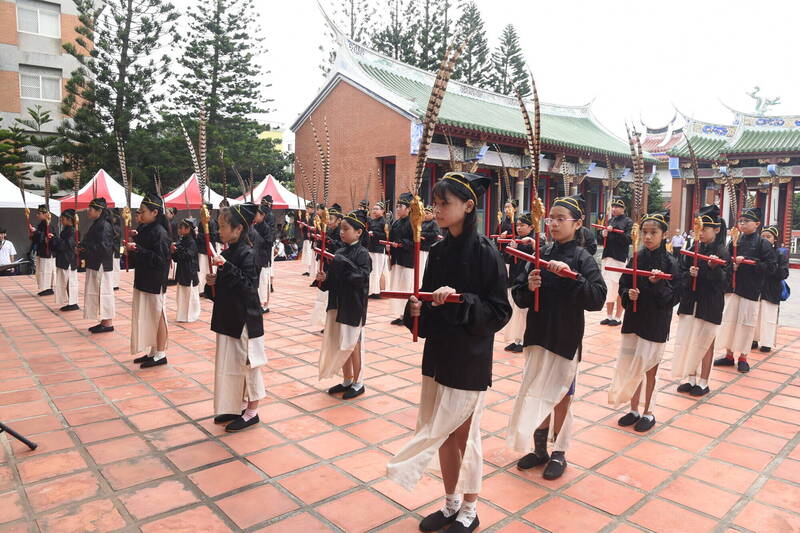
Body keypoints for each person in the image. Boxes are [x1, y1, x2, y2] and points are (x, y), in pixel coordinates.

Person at [387, 173, 511, 533]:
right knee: (439, 430)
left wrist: (460, 301)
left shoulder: (487, 252)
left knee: (464, 436)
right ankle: (450, 502)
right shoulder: (438, 251)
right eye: (435, 203)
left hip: (470, 355)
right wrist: (417, 311)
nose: (436, 210)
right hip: (438, 352)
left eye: (445, 204)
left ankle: (470, 510)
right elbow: (425, 300)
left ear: (468, 206)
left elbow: (499, 311)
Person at [507, 195, 606, 480]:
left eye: (561, 218)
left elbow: (598, 298)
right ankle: (539, 450)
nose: (554, 224)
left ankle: (559, 452)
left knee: (562, 395)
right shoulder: (541, 253)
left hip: (565, 337)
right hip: (538, 334)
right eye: (551, 218)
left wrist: (572, 278)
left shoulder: (583, 258)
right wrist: (529, 285)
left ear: (577, 223)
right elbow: (519, 296)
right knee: (537, 390)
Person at [608, 212, 681, 432]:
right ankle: (633, 409)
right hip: (634, 319)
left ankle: (649, 411)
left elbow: (674, 297)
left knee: (649, 368)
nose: (648, 237)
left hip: (656, 322)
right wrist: (627, 294)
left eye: (653, 233)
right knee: (632, 365)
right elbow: (624, 282)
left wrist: (658, 284)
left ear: (664, 234)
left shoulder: (671, 262)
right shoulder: (636, 257)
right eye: (645, 233)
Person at [206, 203, 266, 432]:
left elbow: (250, 288)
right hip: (228, 318)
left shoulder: (248, 254)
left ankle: (252, 411)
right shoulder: (228, 252)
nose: (219, 231)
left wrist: (226, 267)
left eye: (222, 227)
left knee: (249, 366)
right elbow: (224, 289)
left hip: (245, 321)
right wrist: (211, 284)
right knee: (233, 365)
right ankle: (239, 406)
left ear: (238, 229)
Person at [672, 205, 730, 397]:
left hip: (709, 303)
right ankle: (690, 377)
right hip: (690, 302)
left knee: (705, 342)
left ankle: (704, 381)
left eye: (705, 229)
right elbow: (679, 274)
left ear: (716, 229)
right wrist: (690, 275)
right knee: (689, 340)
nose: (701, 233)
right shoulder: (691, 249)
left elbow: (727, 282)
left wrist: (712, 269)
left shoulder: (722, 252)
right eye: (699, 229)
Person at [316, 208, 372, 399]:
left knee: (353, 345)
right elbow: (332, 282)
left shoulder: (364, 254)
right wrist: (324, 279)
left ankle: (358, 382)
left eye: (346, 229)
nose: (341, 232)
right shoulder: (339, 251)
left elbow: (361, 279)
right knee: (341, 343)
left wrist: (344, 264)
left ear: (358, 232)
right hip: (337, 304)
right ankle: (347, 379)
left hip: (353, 306)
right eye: (341, 229)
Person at [714, 207, 777, 373]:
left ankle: (743, 357)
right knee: (729, 322)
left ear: (757, 224)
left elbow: (771, 266)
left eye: (746, 221)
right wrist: (732, 265)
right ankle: (729, 355)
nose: (742, 224)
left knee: (746, 323)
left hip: (750, 289)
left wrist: (749, 261)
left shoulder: (763, 243)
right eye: (740, 221)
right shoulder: (735, 241)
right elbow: (725, 260)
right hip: (733, 288)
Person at [127, 193, 171, 369]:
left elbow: (159, 259)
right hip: (143, 278)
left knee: (158, 315)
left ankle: (161, 353)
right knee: (147, 315)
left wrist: (138, 249)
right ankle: (153, 351)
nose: (140, 214)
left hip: (155, 280)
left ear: (154, 212)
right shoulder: (145, 228)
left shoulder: (160, 232)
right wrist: (134, 246)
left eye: (143, 211)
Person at [80, 198, 116, 333]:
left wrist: (86, 247)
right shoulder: (97, 223)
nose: (88, 211)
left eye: (91, 209)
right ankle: (104, 321)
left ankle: (107, 323)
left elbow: (104, 247)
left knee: (104, 292)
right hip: (95, 262)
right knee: (98, 292)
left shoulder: (104, 225)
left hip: (101, 264)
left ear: (99, 211)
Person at [501, 212, 535, 353]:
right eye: (518, 225)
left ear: (532, 227)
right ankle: (516, 339)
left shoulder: (535, 240)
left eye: (523, 225)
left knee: (523, 312)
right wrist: (511, 250)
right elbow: (507, 259)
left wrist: (532, 244)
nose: (519, 228)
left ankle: (524, 339)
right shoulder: (516, 240)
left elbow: (538, 253)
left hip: (525, 282)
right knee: (514, 311)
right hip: (514, 278)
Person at [752, 226, 789, 353]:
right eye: (763, 237)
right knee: (755, 315)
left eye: (769, 237)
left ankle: (766, 342)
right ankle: (753, 339)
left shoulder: (780, 254)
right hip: (757, 288)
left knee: (768, 316)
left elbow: (784, 273)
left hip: (771, 289)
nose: (765, 239)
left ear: (775, 239)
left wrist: (769, 268)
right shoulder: (756, 252)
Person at [600, 198, 633, 326]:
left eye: (617, 207)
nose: (614, 209)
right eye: (613, 206)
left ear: (623, 209)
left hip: (619, 258)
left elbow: (628, 239)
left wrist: (614, 231)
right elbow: (604, 239)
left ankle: (618, 317)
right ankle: (608, 315)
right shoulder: (610, 220)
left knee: (618, 286)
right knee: (608, 286)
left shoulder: (628, 221)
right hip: (607, 256)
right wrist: (603, 234)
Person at [310, 204, 343, 329]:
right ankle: (324, 322)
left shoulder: (341, 232)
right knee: (323, 295)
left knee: (333, 297)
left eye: (331, 219)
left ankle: (331, 324)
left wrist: (329, 241)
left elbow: (340, 247)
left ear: (339, 220)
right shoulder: (328, 230)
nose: (329, 222)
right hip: (326, 266)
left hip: (335, 269)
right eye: (328, 219)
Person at [387, 193, 414, 325]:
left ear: (408, 208)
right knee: (397, 287)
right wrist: (389, 246)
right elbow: (392, 239)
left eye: (400, 206)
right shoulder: (396, 223)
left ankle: (407, 315)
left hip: (407, 260)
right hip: (396, 259)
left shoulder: (412, 223)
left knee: (406, 287)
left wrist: (401, 243)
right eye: (396, 206)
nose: (397, 209)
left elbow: (415, 242)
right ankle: (400, 314)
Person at [173, 217, 201, 323]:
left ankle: (191, 315)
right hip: (182, 271)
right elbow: (177, 258)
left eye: (181, 228)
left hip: (189, 272)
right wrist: (174, 251)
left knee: (190, 294)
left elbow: (188, 255)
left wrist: (178, 249)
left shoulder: (192, 242)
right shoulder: (182, 241)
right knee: (181, 295)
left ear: (188, 229)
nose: (179, 230)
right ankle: (182, 315)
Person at [52, 209, 79, 311]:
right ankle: (71, 301)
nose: (61, 221)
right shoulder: (67, 230)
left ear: (69, 219)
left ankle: (73, 303)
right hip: (65, 258)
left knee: (70, 281)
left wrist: (55, 239)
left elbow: (68, 245)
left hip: (68, 259)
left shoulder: (71, 231)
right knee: (67, 281)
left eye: (63, 219)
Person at [30, 204, 56, 296]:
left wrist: (36, 232)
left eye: (39, 213)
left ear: (45, 214)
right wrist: (34, 234)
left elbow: (47, 238)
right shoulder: (41, 224)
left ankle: (48, 288)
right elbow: (39, 238)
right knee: (42, 270)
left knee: (47, 270)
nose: (37, 215)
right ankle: (45, 287)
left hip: (47, 252)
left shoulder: (49, 225)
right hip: (42, 251)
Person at [252, 198, 272, 313]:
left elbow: (268, 242)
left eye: (257, 215)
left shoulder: (266, 228)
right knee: (256, 282)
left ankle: (263, 305)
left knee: (263, 282)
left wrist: (256, 238)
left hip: (263, 259)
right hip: (255, 258)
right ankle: (256, 303)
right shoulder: (254, 226)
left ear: (262, 215)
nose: (255, 217)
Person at [197, 202, 220, 296]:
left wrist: (199, 235)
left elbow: (212, 237)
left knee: (209, 270)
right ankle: (202, 289)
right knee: (202, 270)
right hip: (202, 249)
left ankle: (210, 289)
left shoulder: (212, 223)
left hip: (208, 249)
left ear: (208, 211)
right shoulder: (200, 222)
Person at [367, 201, 388, 299]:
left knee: (377, 270)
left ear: (383, 211)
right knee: (371, 270)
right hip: (371, 248)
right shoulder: (372, 221)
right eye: (373, 209)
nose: (374, 211)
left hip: (379, 250)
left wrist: (374, 233)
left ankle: (377, 291)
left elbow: (386, 236)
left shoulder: (384, 222)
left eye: (377, 209)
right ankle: (371, 290)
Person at [420, 205, 440, 273]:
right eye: (424, 213)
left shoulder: (434, 223)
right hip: (421, 247)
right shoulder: (422, 222)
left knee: (424, 267)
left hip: (427, 249)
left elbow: (435, 234)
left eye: (427, 213)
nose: (425, 215)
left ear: (432, 214)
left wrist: (423, 235)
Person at [301, 202, 317, 277]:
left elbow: (315, 227)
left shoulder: (315, 217)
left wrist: (310, 231)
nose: (307, 210)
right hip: (306, 237)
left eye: (308, 208)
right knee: (307, 255)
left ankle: (312, 270)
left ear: (312, 209)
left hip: (311, 238)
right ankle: (309, 270)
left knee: (310, 254)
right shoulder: (308, 216)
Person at [166, 207, 179, 286]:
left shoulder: (173, 223)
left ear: (172, 214)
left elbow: (174, 235)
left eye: (167, 213)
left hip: (172, 243)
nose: (166, 215)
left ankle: (172, 278)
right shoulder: (167, 222)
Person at [110, 209, 122, 290]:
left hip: (114, 249)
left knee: (115, 266)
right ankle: (114, 283)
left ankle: (115, 284)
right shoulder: (114, 227)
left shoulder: (116, 228)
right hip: (113, 249)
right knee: (114, 266)